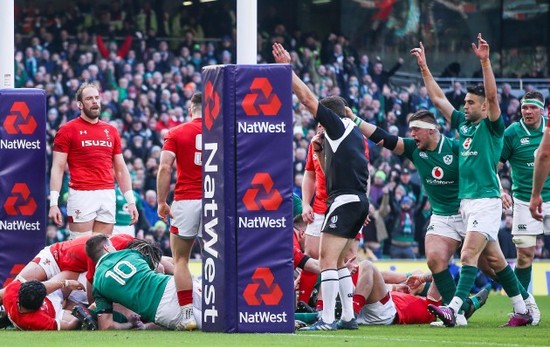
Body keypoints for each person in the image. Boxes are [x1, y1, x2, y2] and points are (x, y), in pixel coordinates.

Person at [411, 35, 536, 327]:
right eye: (465, 102)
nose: (465, 106)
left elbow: (493, 97)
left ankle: (454, 310)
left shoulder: (492, 127)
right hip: (467, 203)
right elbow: (438, 100)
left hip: (486, 200)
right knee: (496, 262)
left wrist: (484, 60)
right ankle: (524, 309)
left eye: (470, 102)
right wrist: (424, 68)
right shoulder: (463, 126)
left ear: (483, 107)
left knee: (468, 254)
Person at [273, 42, 370, 331]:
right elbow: (332, 169)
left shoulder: (337, 127)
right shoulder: (352, 134)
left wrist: (287, 69)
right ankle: (348, 318)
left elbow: (306, 98)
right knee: (338, 261)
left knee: (326, 259)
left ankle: (327, 319)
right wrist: (318, 152)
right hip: (355, 200)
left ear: (330, 118)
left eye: (321, 120)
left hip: (344, 200)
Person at [48, 82, 138, 239]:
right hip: (82, 194)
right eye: (89, 98)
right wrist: (54, 203)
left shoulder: (111, 131)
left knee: (102, 248)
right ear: (80, 104)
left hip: (108, 193)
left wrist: (130, 201)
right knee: (81, 247)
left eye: (97, 98)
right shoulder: (67, 130)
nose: (95, 101)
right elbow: (57, 167)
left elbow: (121, 169)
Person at [157, 92, 202, 329]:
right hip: (216, 199)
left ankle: (187, 314)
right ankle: (223, 307)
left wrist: (162, 201)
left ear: (190, 108)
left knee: (181, 259)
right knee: (218, 256)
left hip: (185, 201)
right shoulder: (222, 130)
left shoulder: (176, 132)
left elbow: (165, 167)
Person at [85, 234, 197, 330]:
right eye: (112, 246)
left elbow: (106, 326)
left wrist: (131, 324)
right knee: (213, 312)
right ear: (106, 248)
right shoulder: (128, 253)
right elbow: (160, 268)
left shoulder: (98, 282)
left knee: (207, 323)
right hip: (174, 287)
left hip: (162, 311)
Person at [499, 91, 547, 320]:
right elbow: (494, 165)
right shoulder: (512, 133)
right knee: (525, 255)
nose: (527, 112)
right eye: (524, 108)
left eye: (532, 108)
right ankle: (524, 308)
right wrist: (500, 189)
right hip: (523, 201)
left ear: (543, 109)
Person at [3, 275, 85, 330]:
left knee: (73, 271)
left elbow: (42, 286)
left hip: (51, 297)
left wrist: (67, 283)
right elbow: (69, 325)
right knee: (86, 320)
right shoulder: (35, 321)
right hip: (56, 314)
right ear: (41, 304)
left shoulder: (11, 290)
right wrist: (86, 313)